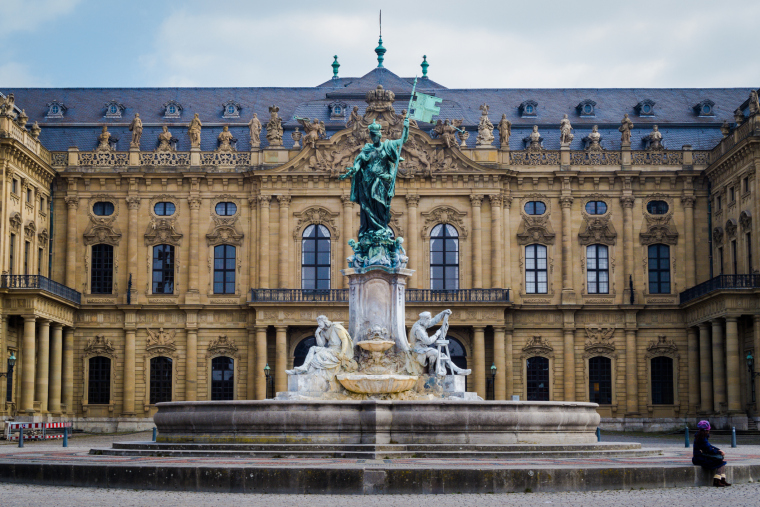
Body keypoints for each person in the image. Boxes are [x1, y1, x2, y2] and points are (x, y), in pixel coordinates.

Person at [692, 420, 731, 487]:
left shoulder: (701, 436)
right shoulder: (702, 438)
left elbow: (709, 446)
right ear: (707, 430)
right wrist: (719, 452)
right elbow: (709, 449)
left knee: (721, 461)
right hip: (700, 459)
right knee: (721, 463)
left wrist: (718, 450)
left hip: (700, 457)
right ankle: (717, 480)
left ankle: (721, 479)